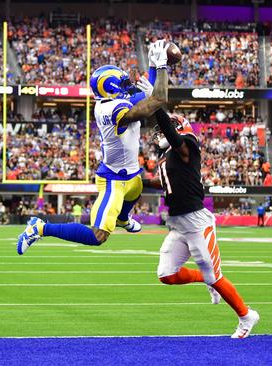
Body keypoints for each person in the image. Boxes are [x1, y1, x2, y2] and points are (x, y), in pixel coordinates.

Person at [17, 40, 171, 254]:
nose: (128, 85)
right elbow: (155, 101)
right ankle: (40, 228)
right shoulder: (112, 109)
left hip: (130, 172)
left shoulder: (113, 100)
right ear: (112, 89)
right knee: (97, 236)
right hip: (113, 179)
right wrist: (160, 67)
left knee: (136, 188)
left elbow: (147, 95)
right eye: (123, 83)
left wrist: (153, 66)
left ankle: (123, 218)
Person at [145, 111, 259, 338]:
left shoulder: (187, 143)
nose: (159, 133)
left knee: (215, 276)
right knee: (166, 274)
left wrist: (158, 108)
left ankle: (247, 316)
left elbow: (174, 137)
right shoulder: (167, 155)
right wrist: (136, 181)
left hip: (196, 221)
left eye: (164, 128)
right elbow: (166, 182)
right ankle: (202, 278)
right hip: (178, 223)